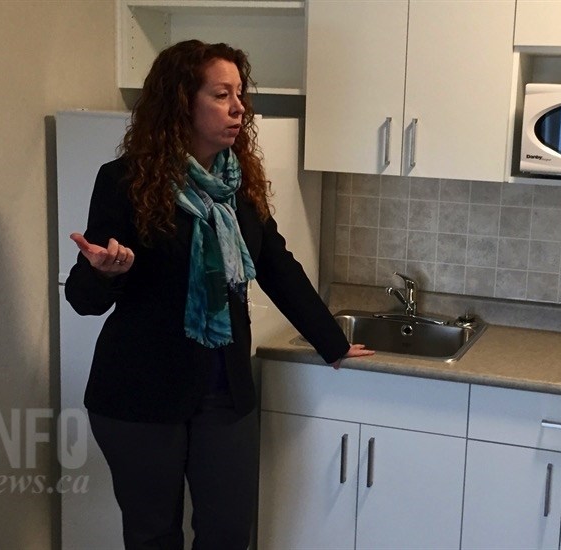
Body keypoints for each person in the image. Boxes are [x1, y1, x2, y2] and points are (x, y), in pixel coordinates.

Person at [65, 39, 374, 550]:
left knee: (229, 531)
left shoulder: (237, 186)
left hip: (224, 390)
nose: (239, 108)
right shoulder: (125, 182)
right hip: (140, 391)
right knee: (153, 535)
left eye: (240, 95)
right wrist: (104, 271)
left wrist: (332, 341)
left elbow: (276, 264)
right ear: (182, 101)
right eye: (221, 95)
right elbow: (84, 298)